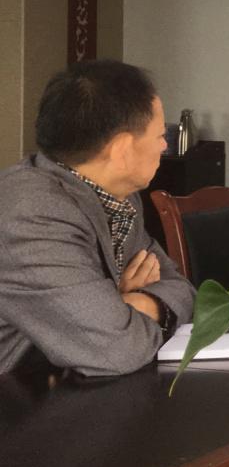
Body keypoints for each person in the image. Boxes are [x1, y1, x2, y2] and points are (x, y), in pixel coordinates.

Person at [0, 60, 196, 376]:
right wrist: (116, 309)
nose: (164, 146)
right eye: (160, 135)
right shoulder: (31, 215)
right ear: (122, 151)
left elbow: (182, 289)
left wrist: (129, 305)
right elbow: (118, 349)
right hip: (17, 396)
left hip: (58, 387)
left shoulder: (118, 196)